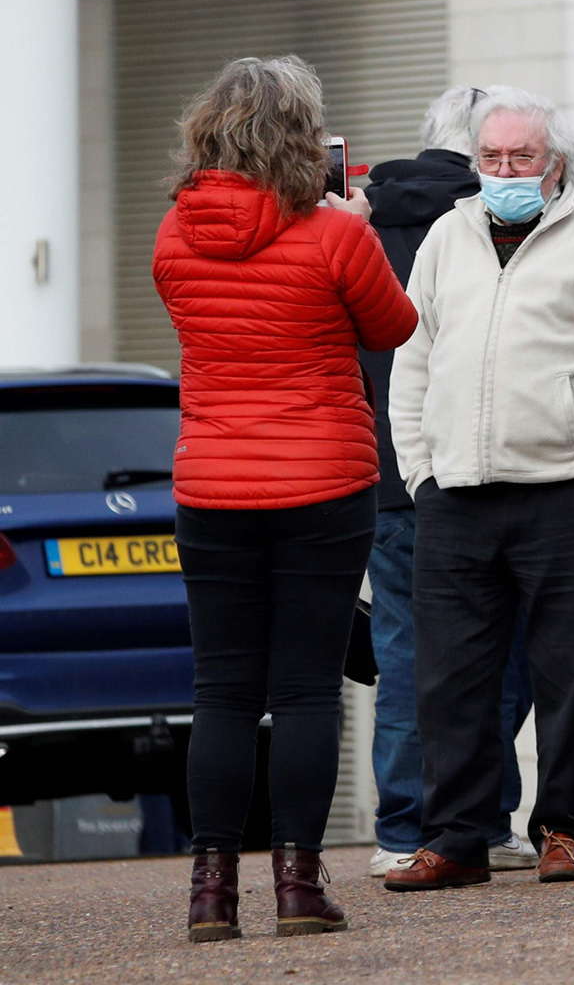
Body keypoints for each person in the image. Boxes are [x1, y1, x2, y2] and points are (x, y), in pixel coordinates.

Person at [152, 56, 418, 942]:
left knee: (222, 689)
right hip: (323, 479)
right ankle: (300, 888)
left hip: (213, 480)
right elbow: (393, 326)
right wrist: (359, 227)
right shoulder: (337, 234)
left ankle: (210, 895)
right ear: (304, 139)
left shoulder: (172, 236)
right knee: (305, 689)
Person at [384, 87, 574, 891]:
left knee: (565, 678)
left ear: (556, 165)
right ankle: (456, 839)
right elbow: (413, 359)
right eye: (491, 158)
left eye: (522, 158)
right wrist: (421, 469)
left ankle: (561, 831)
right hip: (458, 496)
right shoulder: (446, 236)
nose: (505, 171)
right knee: (449, 681)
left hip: (567, 497)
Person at [358, 87, 538, 879]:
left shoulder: (362, 218)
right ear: (483, 152)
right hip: (481, 470)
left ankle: (401, 824)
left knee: (403, 654)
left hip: (387, 476)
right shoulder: (496, 225)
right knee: (495, 654)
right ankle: (487, 819)